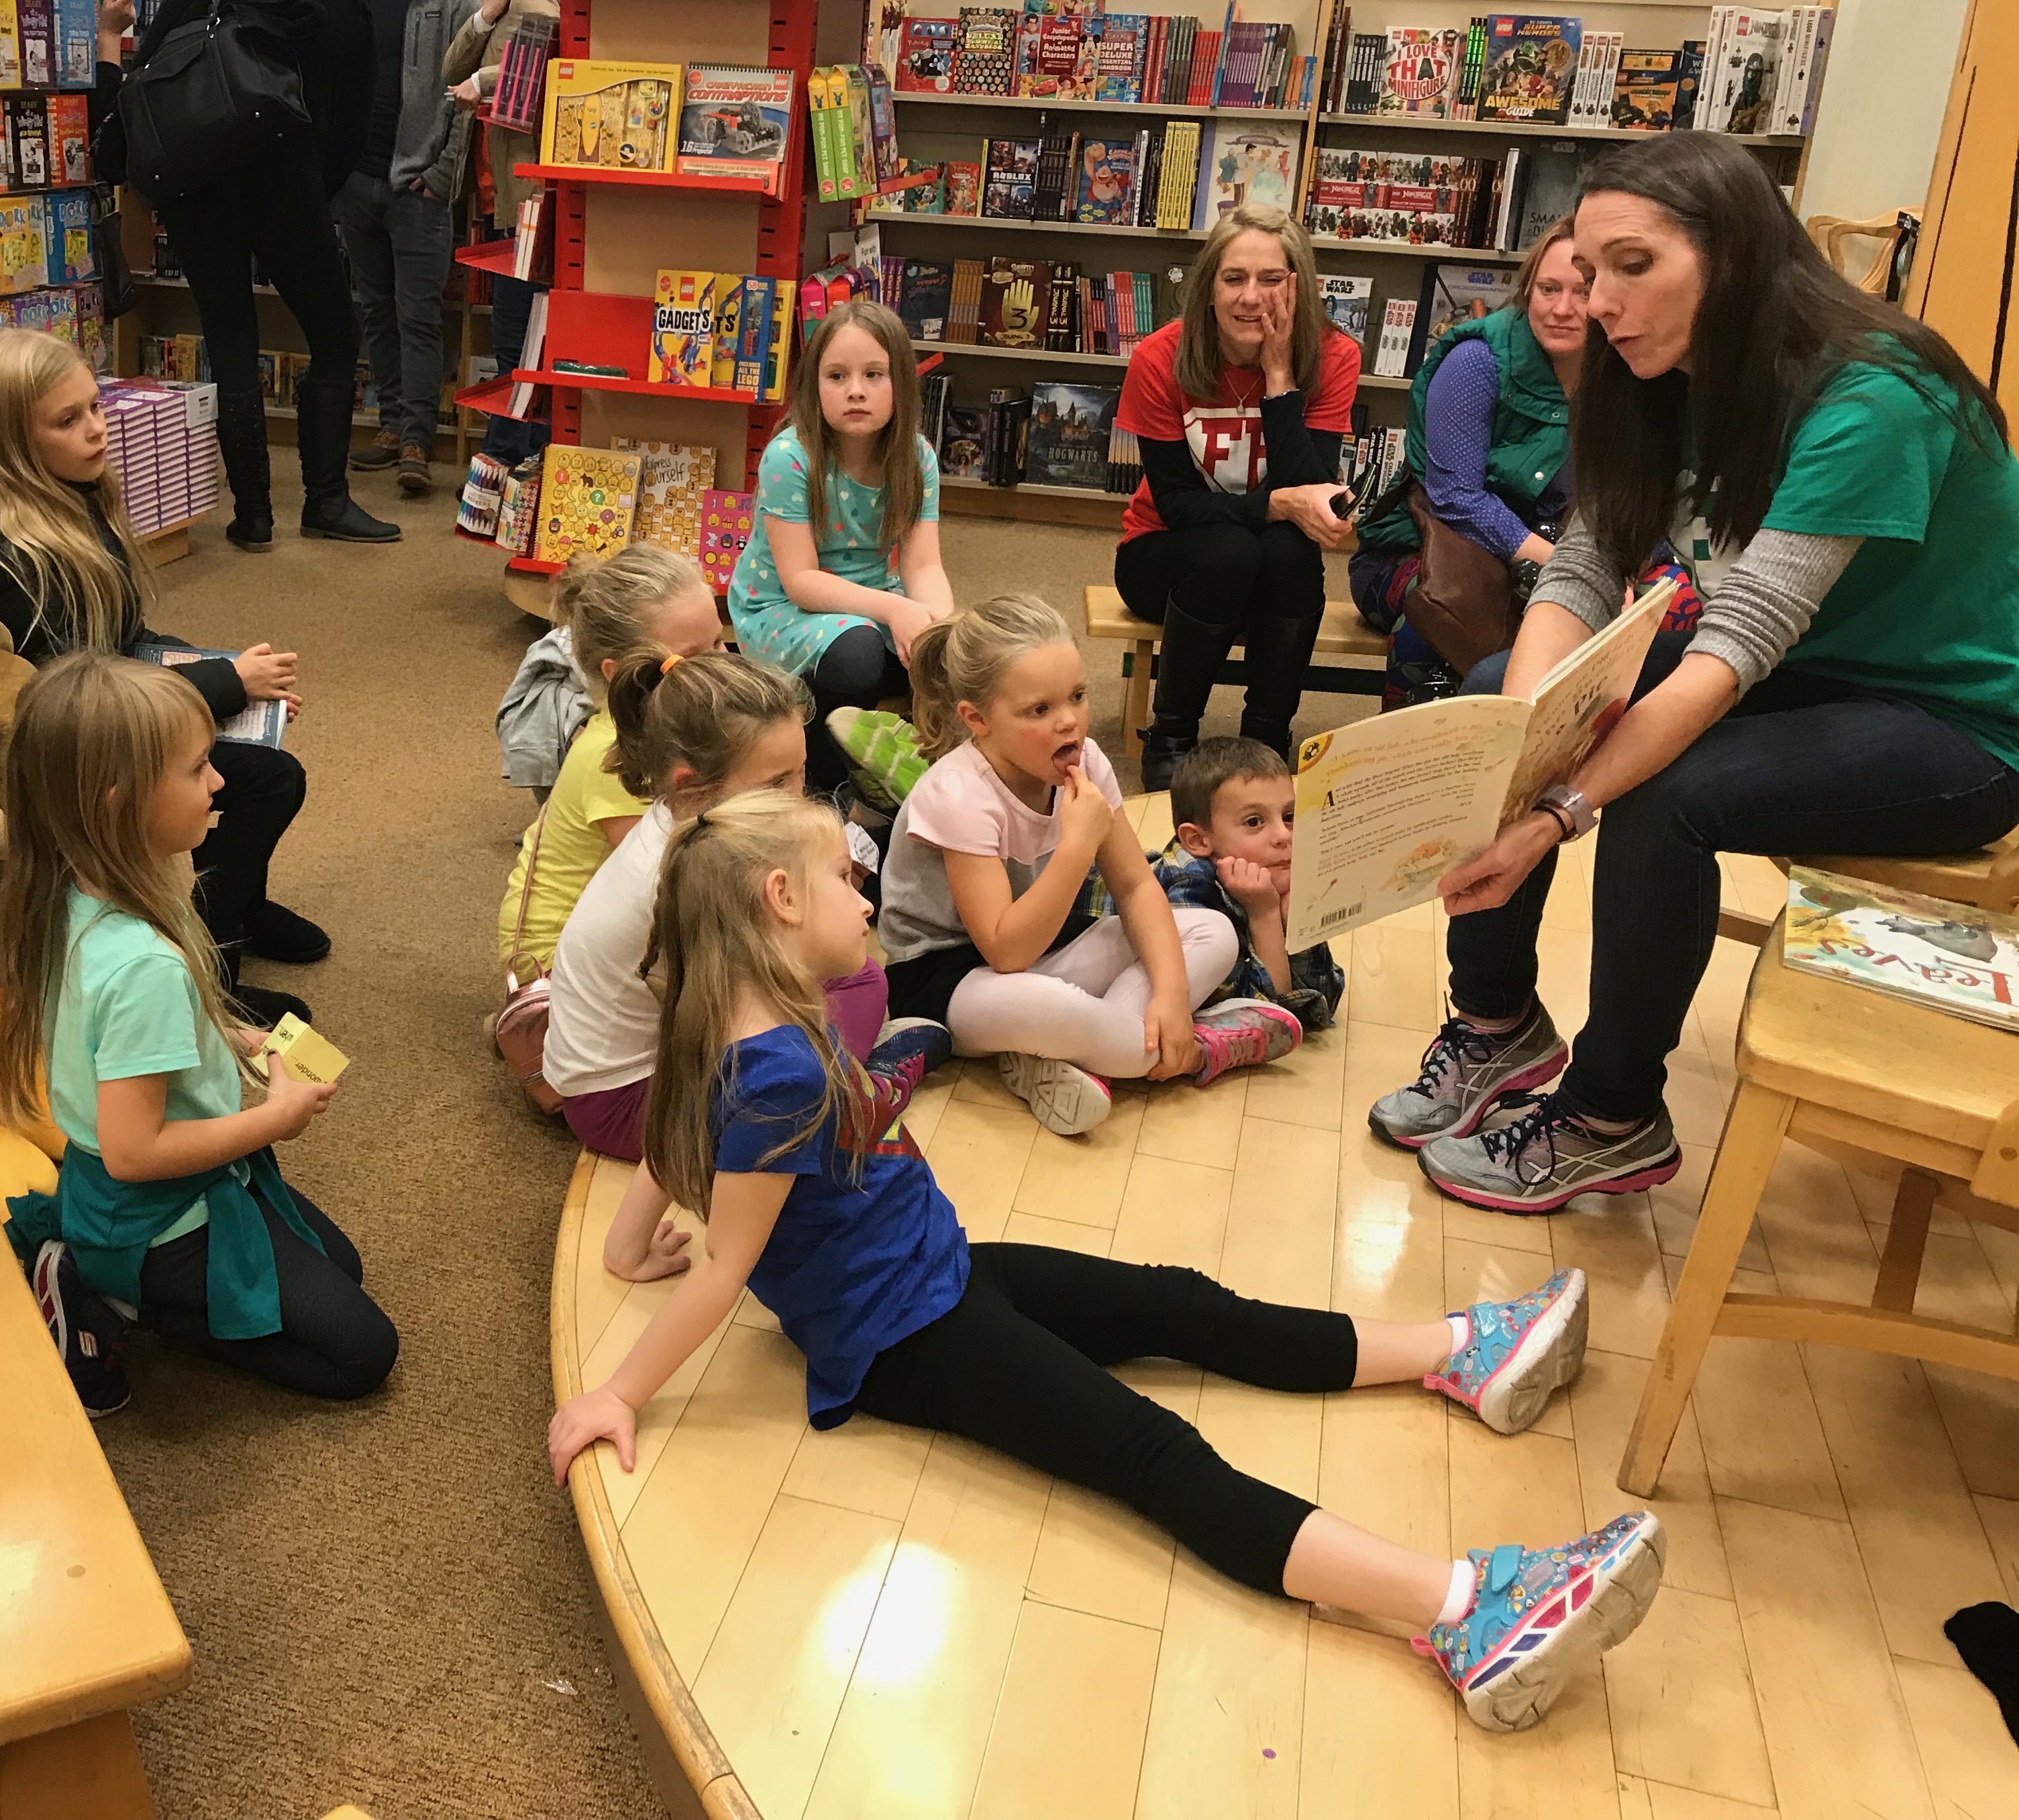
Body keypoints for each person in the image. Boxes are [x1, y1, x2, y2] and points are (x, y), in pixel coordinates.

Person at [548, 787, 1665, 1735]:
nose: (861, 895)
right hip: (901, 1336)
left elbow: (672, 1126)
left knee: (1179, 1304)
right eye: (844, 878)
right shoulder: (775, 1065)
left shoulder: (750, 1023)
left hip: (933, 1269)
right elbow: (725, 1261)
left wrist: (622, 1234)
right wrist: (613, 1390)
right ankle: (1465, 1608)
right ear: (778, 903)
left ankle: (1456, 1352)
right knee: (1152, 1451)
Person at [1372, 132, 2019, 1213]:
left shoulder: (1875, 393)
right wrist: (1522, 735)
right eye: (1586, 270)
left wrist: (1557, 810)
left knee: (1665, 792)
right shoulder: (1655, 371)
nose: (1598, 301)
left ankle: (1611, 1116)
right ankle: (1495, 1023)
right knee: (1491, 691)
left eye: (1635, 266)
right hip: (1796, 666)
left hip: (1950, 719)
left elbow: (1742, 636)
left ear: (1738, 258)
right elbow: (1588, 557)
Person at [0, 654, 397, 1417]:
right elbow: (134, 1152)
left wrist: (232, 1035)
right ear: (120, 804)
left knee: (343, 1267)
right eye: (198, 768)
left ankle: (121, 1276)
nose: (218, 783)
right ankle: (111, 1300)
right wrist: (273, 1121)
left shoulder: (91, 888)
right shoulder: (140, 964)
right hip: (152, 1212)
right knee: (363, 1356)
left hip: (152, 1185)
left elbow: (114, 1039)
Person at [0, 330, 327, 1028]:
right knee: (268, 780)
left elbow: (119, 637)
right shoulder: (1, 553)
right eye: (68, 421)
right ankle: (210, 966)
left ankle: (237, 906)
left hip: (96, 705)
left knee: (263, 755)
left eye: (95, 407)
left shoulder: (66, 495)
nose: (97, 429)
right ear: (13, 438)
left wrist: (225, 673)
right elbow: (75, 701)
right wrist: (220, 686)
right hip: (61, 757)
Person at [542, 648, 924, 1284]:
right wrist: (627, 1245)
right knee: (836, 1007)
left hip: (629, 1066)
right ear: (693, 783)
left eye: (802, 775)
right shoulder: (682, 886)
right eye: (777, 785)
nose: (798, 799)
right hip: (622, 1098)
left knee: (852, 977)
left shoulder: (700, 836)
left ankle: (848, 1073)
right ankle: (858, 1089)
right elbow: (704, 1066)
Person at [877, 593, 1297, 1138]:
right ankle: (1190, 1051)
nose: (1070, 722)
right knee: (1064, 1011)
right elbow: (1006, 952)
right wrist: (1077, 847)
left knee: (1213, 930)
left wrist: (1170, 996)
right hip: (950, 980)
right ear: (977, 720)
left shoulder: (1087, 761)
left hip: (1048, 945)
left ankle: (1066, 1055)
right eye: (1040, 710)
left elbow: (1136, 887)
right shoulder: (958, 793)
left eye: (1077, 696)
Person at [108, 0, 395, 548]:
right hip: (289, 186)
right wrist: (314, 188)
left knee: (230, 338)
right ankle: (325, 501)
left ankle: (253, 515)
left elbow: (152, 66)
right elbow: (358, 118)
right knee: (334, 333)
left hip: (198, 184)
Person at [1110, 205, 1363, 788]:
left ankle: (1267, 737)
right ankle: (1172, 733)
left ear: (1299, 287)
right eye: (1234, 279)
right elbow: (1175, 504)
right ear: (1208, 288)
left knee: (1288, 553)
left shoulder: (1334, 354)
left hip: (1267, 571)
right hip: (1164, 555)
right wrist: (1275, 506)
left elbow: (1312, 491)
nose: (1252, 298)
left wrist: (1280, 379)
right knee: (1233, 550)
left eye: (1272, 280)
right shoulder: (1159, 357)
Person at [728, 299, 953, 801]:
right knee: (858, 656)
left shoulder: (915, 457)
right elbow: (801, 582)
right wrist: (899, 609)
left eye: (874, 374)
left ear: (901, 383)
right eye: (836, 376)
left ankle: (905, 777)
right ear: (815, 386)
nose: (856, 390)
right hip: (782, 608)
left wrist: (937, 629)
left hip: (871, 599)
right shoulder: (791, 456)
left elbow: (924, 564)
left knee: (945, 656)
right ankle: (824, 783)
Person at [1349, 219, 1580, 709]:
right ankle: (1410, 758)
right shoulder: (1477, 360)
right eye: (1548, 289)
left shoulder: (1624, 368)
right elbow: (1456, 499)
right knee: (1446, 616)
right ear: (1527, 290)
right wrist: (1561, 564)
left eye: (1584, 292)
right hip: (1425, 551)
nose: (1562, 309)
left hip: (1548, 557)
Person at [499, 546, 723, 980]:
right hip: (553, 964)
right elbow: (670, 873)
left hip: (612, 930)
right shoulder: (615, 757)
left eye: (720, 641)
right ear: (619, 673)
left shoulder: (675, 723)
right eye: (696, 658)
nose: (724, 664)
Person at [333, 0, 477, 498]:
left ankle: (419, 439)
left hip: (418, 184)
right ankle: (390, 425)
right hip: (356, 182)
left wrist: (442, 174)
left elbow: (470, 98)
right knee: (374, 311)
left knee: (420, 317)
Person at [444, 0, 561, 491]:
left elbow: (538, 66)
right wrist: (487, 12)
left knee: (522, 338)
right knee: (517, 335)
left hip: (528, 199)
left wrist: (483, 80)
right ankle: (510, 456)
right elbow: (449, 68)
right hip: (503, 198)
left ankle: (510, 462)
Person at [1152, 734, 1345, 1032]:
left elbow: (1319, 1000)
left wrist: (1295, 919)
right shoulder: (1186, 888)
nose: (1284, 835)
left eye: (1290, 816)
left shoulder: (1272, 875)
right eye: (1254, 822)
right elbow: (1262, 1020)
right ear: (1199, 840)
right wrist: (1265, 915)